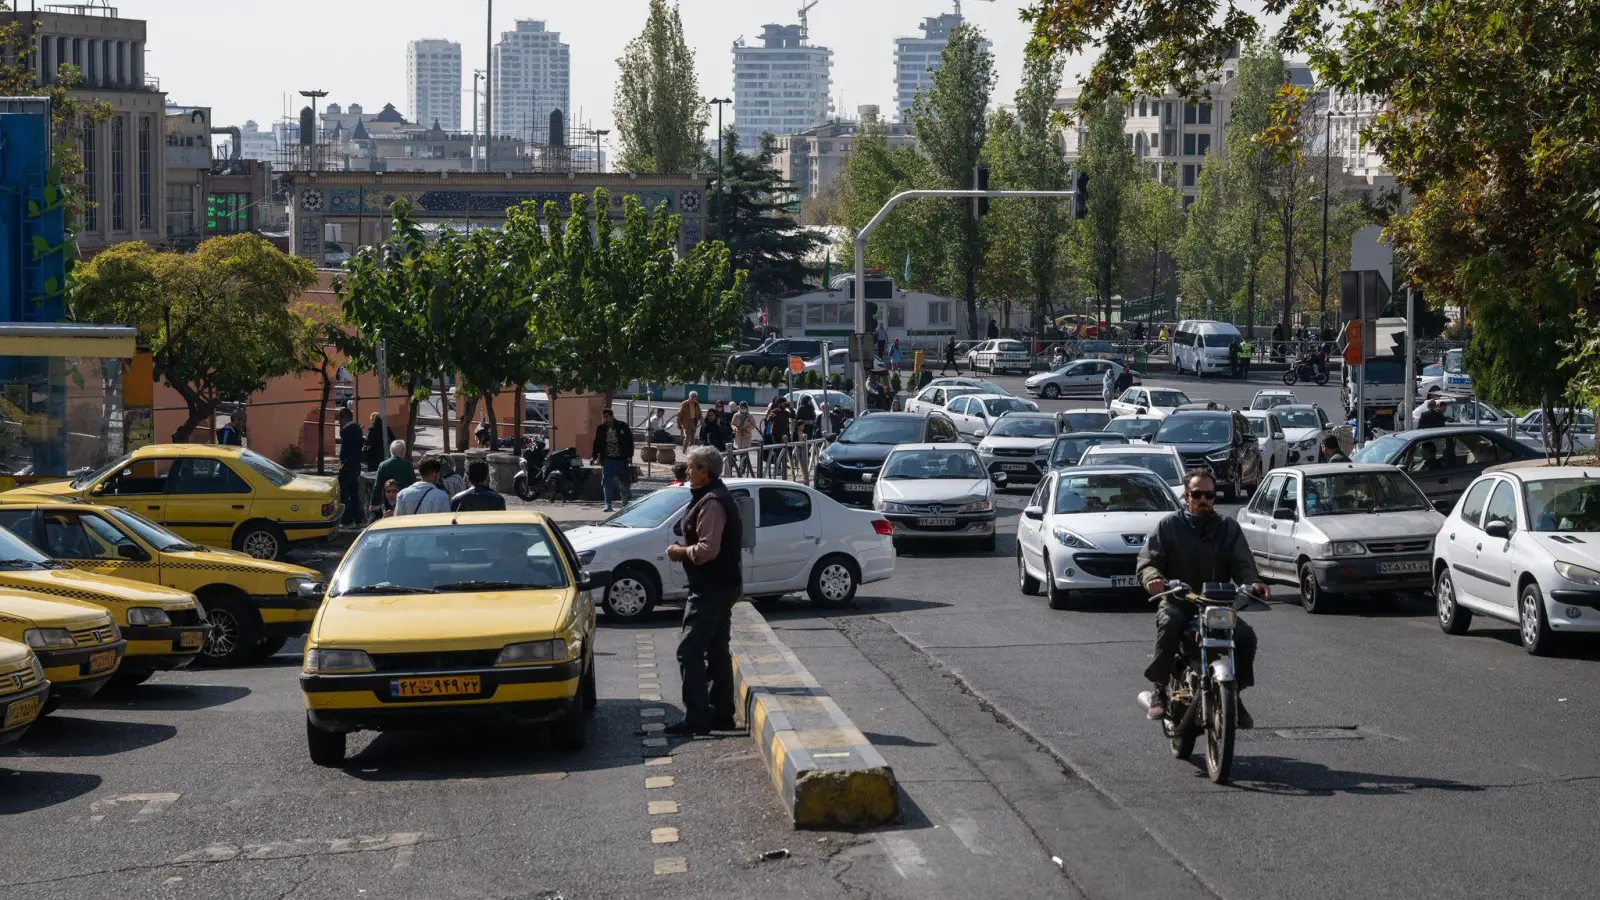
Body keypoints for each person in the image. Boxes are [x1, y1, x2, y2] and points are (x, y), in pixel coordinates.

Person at [1136, 469, 1265, 728]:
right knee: (1170, 622)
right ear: (1186, 496)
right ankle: (1160, 687)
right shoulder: (1169, 526)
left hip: (1216, 605)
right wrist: (1153, 578)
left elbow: (1243, 565)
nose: (1204, 500)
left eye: (1209, 494)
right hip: (1178, 601)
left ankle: (1234, 694)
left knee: (1245, 636)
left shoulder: (1228, 528)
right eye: (1197, 495)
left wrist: (1253, 583)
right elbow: (1148, 561)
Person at [663, 446, 743, 736]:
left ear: (704, 472)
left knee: (689, 651)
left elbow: (708, 550)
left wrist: (681, 552)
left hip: (711, 588)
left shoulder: (711, 502)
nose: (687, 471)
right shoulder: (713, 497)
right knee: (716, 649)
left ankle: (697, 719)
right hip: (722, 585)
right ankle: (722, 715)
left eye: (691, 466)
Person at [591, 407, 635, 511]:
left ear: (611, 416)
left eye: (607, 417)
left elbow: (630, 442)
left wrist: (629, 456)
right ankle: (608, 504)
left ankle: (624, 504)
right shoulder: (601, 428)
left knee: (622, 483)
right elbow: (597, 443)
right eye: (603, 417)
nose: (605, 419)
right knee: (607, 483)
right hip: (607, 459)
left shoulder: (622, 426)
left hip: (621, 459)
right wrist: (594, 457)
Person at [336, 408, 365, 525]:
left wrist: (343, 466)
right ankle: (357, 517)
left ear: (345, 417)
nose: (338, 422)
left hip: (348, 467)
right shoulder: (357, 429)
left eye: (339, 419)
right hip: (355, 466)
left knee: (344, 494)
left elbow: (347, 451)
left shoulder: (348, 431)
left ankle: (346, 519)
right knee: (354, 494)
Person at [371, 439, 415, 515]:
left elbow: (377, 485)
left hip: (387, 501)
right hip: (404, 501)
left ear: (391, 451)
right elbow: (413, 484)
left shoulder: (383, 465)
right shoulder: (408, 465)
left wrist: (373, 503)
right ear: (403, 452)